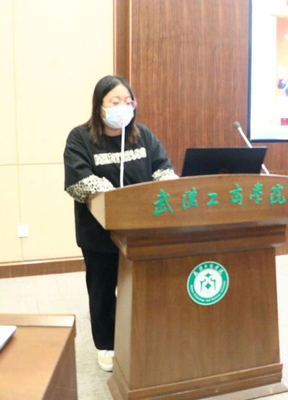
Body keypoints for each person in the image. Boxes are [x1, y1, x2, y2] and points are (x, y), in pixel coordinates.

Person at [63, 75, 178, 372]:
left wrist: (171, 187)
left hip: (142, 231)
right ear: (99, 106)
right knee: (102, 290)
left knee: (145, 287)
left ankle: (145, 335)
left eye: (128, 101)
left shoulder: (143, 136)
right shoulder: (80, 138)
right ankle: (107, 345)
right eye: (115, 102)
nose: (122, 107)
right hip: (100, 234)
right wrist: (118, 200)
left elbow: (163, 170)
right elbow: (80, 181)